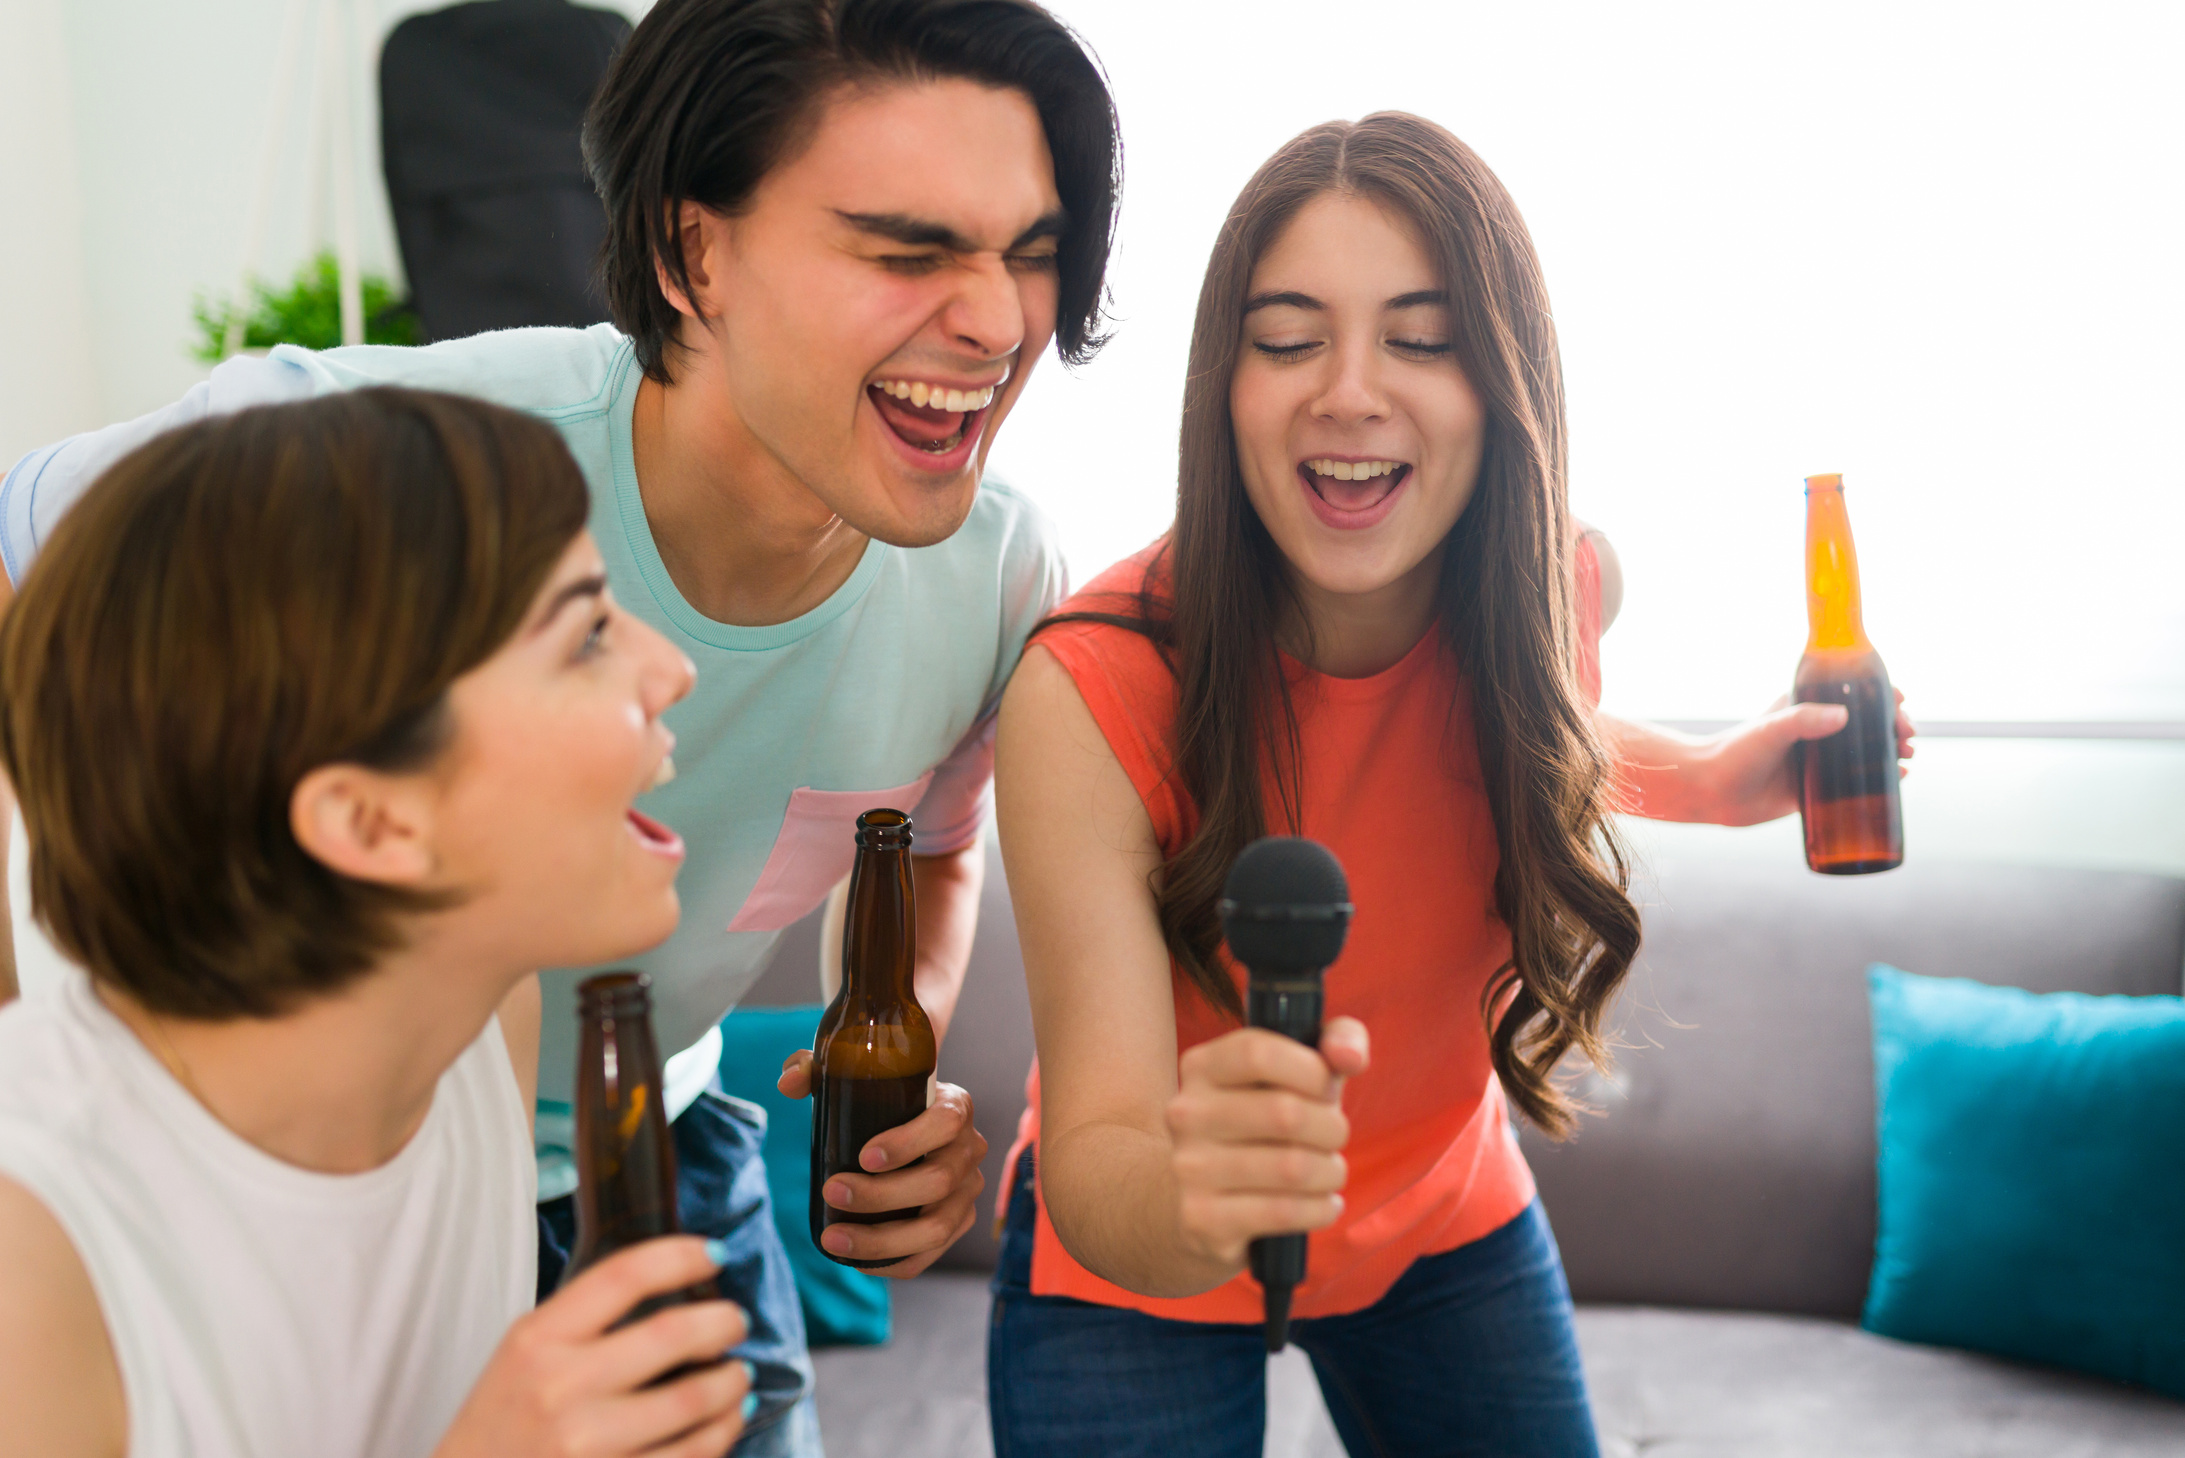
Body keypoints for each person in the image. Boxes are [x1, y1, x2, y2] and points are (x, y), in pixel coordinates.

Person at [0, 2, 1118, 1447]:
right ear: (689, 250)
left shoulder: (997, 571)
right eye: (909, 249)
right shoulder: (444, 471)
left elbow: (923, 837)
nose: (998, 318)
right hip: (338, 1140)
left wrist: (884, 1068)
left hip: (632, 1120)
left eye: (1029, 249)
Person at [990, 113, 1917, 1457]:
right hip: (1140, 1252)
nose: (1350, 391)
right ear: (1222, 385)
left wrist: (1714, 782)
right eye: (1289, 336)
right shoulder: (1088, 691)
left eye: (1422, 339)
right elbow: (1099, 1148)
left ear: (1504, 386)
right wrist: (1202, 1195)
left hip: (1438, 1215)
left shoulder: (1553, 589)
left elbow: (1528, 722)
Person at [0, 389, 757, 1458]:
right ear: (366, 818)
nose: (672, 669)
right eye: (587, 635)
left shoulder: (483, 1024)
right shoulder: (33, 1240)